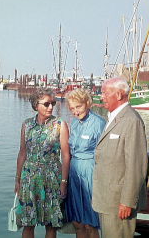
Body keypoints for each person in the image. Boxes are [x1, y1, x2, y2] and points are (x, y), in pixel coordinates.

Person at [92, 77, 148, 238]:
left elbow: (136, 166)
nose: (100, 96)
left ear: (118, 95)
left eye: (104, 93)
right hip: (107, 200)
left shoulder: (132, 121)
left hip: (119, 202)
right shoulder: (113, 118)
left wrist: (127, 202)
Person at [15, 88, 70, 238]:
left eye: (53, 103)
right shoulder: (26, 125)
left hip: (52, 179)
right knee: (27, 224)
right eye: (46, 104)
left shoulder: (60, 124)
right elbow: (22, 153)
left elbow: (66, 155)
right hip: (29, 179)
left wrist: (64, 182)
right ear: (36, 105)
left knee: (51, 225)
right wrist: (17, 179)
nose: (51, 107)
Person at [65, 88, 105, 238]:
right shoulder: (74, 124)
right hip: (74, 173)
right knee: (77, 222)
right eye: (72, 108)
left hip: (90, 173)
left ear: (87, 103)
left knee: (90, 223)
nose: (76, 111)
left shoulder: (99, 123)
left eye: (78, 106)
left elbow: (105, 153)